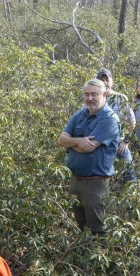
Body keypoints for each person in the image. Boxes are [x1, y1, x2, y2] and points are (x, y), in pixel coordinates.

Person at [57, 78, 120, 233]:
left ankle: (98, 254)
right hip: (75, 179)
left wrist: (71, 145)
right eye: (86, 95)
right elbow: (61, 140)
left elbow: (88, 148)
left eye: (94, 94)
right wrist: (78, 141)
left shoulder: (110, 119)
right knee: (80, 226)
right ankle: (82, 255)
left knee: (96, 229)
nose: (90, 98)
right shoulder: (80, 114)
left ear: (104, 94)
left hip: (95, 183)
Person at [97, 68, 137, 183]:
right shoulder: (94, 98)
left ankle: (132, 197)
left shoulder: (121, 98)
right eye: (102, 79)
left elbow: (132, 122)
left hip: (119, 142)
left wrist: (126, 142)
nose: (104, 82)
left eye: (107, 79)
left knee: (129, 171)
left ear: (111, 81)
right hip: (99, 143)